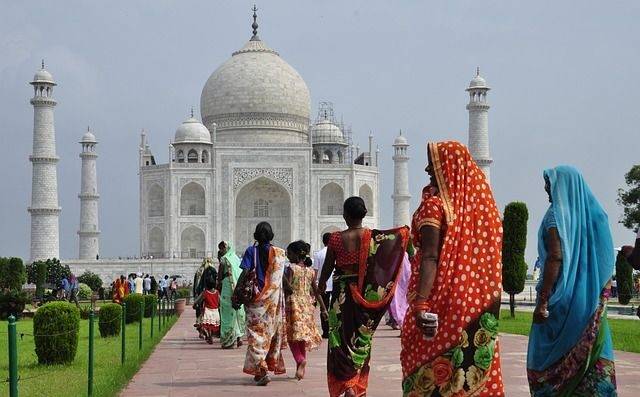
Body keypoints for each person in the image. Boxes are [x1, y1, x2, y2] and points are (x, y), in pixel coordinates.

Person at [401, 141, 504, 396]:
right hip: (474, 303)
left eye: (433, 163)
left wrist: (422, 304)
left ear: (447, 167)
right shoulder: (479, 209)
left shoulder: (435, 205)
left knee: (430, 374)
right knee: (466, 372)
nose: (427, 169)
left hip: (440, 300)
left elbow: (430, 256)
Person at [527, 166, 617, 396]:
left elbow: (555, 257)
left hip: (562, 301)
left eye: (550, 183)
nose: (546, 188)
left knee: (548, 362)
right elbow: (605, 259)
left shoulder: (556, 215)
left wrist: (544, 301)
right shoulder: (593, 216)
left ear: (564, 186)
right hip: (590, 302)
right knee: (592, 356)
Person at [318, 197, 409, 397]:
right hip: (363, 296)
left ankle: (347, 385)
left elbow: (327, 269)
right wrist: (403, 232)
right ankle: (356, 384)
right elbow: (387, 254)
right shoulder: (372, 237)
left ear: (344, 215)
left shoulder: (334, 238)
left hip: (341, 295)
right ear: (365, 214)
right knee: (361, 338)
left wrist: (320, 287)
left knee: (338, 340)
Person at [236, 222, 287, 386]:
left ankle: (263, 369)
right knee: (267, 335)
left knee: (255, 336)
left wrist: (237, 291)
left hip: (255, 300)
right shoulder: (280, 253)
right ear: (272, 235)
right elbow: (281, 279)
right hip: (273, 302)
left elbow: (245, 272)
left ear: (255, 235)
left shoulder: (252, 251)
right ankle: (258, 371)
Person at [284, 240, 323, 380]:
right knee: (302, 337)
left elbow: (287, 289)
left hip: (293, 305)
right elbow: (316, 291)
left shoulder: (291, 269)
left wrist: (281, 277)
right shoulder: (311, 271)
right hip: (307, 306)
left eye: (289, 253)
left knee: (292, 337)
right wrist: (323, 309)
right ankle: (300, 370)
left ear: (295, 254)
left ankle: (300, 360)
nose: (288, 256)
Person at [217, 241, 246, 349]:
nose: (221, 251)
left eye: (221, 249)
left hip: (226, 287)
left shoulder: (224, 260)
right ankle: (239, 337)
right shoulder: (236, 258)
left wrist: (218, 286)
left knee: (227, 312)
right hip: (237, 289)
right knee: (236, 311)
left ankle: (228, 340)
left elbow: (219, 277)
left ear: (226, 248)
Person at [313, 233, 333, 338]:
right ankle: (334, 330)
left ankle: (325, 331)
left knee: (323, 309)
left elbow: (315, 273)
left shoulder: (318, 254)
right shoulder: (336, 253)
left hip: (323, 285)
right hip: (334, 285)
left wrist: (315, 286)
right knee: (334, 308)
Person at [192, 272, 221, 344]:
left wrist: (195, 305)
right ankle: (210, 336)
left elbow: (198, 300)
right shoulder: (217, 292)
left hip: (207, 311)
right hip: (215, 311)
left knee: (204, 324)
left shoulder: (205, 292)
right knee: (212, 325)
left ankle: (207, 334)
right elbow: (220, 302)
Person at [386, 252, 411, 331]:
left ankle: (401, 324)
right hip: (399, 263)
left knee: (396, 296)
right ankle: (401, 324)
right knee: (397, 296)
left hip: (398, 264)